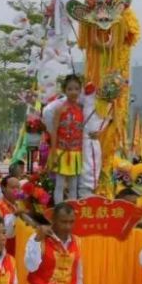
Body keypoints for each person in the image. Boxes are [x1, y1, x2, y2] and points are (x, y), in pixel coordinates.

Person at [49, 75, 87, 204]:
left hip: (76, 152)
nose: (73, 92)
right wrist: (54, 152)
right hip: (61, 151)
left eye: (76, 89)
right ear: (65, 90)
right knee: (59, 185)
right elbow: (54, 131)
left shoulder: (82, 110)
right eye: (70, 89)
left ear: (80, 90)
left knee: (73, 186)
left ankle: (72, 212)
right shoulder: (59, 110)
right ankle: (58, 211)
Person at [0, 174, 22, 256]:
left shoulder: (21, 206)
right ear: (3, 188)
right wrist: (14, 215)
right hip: (4, 253)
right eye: (13, 188)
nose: (17, 191)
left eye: (18, 187)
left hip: (21, 251)